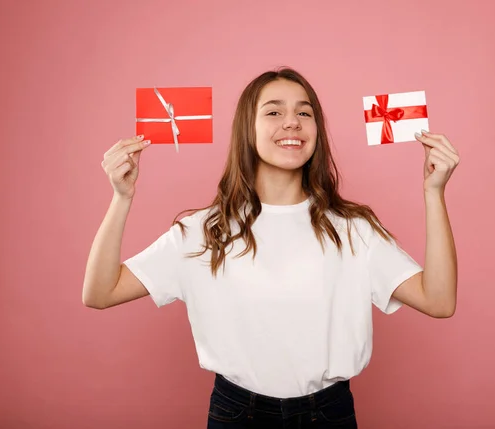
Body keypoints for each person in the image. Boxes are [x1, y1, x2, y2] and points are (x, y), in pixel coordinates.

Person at [82, 67, 460, 428]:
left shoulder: (353, 230)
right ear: (248, 129)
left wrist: (434, 193)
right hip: (236, 414)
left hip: (329, 415)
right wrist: (121, 198)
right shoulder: (202, 231)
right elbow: (100, 292)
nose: (292, 122)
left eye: (304, 112)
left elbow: (438, 300)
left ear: (317, 131)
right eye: (274, 111)